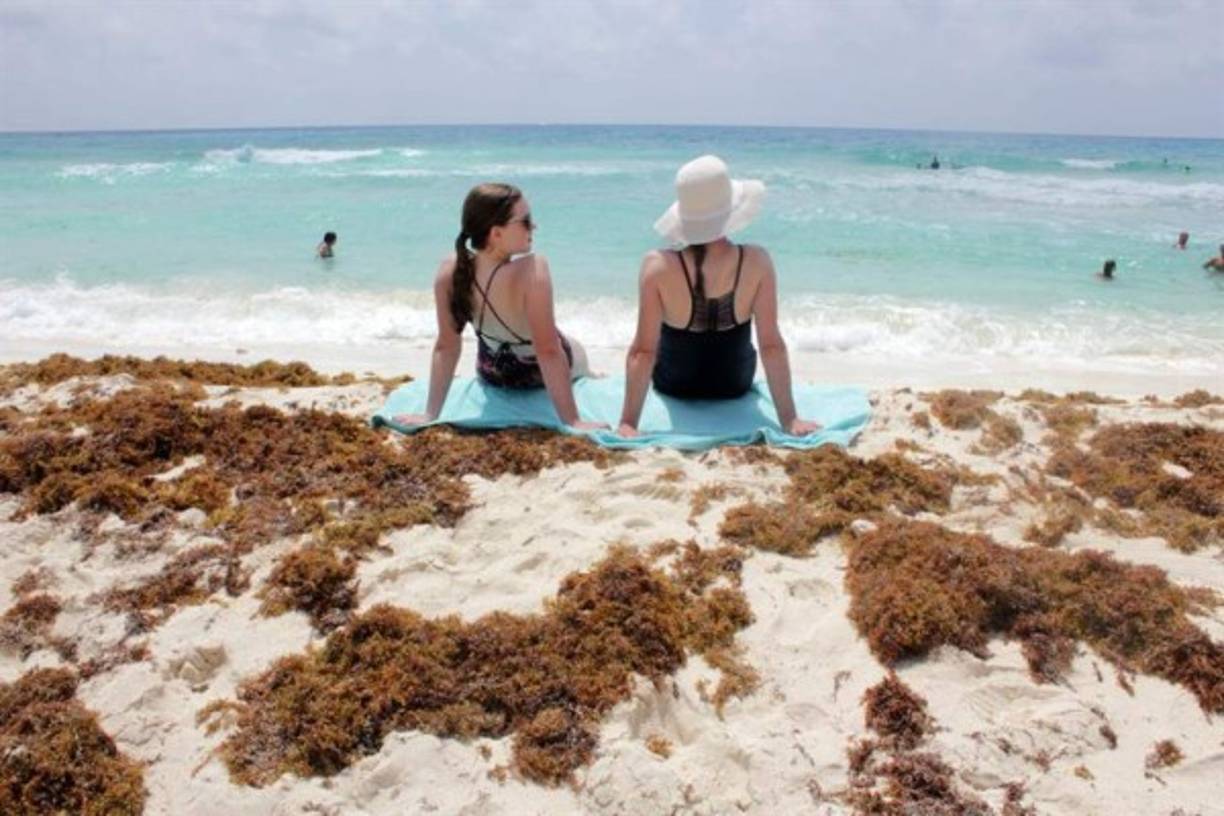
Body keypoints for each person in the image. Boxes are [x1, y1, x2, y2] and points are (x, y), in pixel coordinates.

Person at [617, 155, 821, 438]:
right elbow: (771, 345)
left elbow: (643, 351)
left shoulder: (657, 266)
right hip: (733, 383)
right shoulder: (756, 261)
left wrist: (628, 423)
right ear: (729, 211)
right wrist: (790, 420)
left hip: (674, 384)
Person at [392, 183, 604, 430]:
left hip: (491, 372)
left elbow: (446, 346)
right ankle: (590, 374)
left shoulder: (451, 270)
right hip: (534, 375)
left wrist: (430, 413)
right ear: (496, 234)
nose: (534, 226)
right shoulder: (532, 269)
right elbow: (548, 350)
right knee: (573, 349)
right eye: (525, 221)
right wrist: (572, 420)